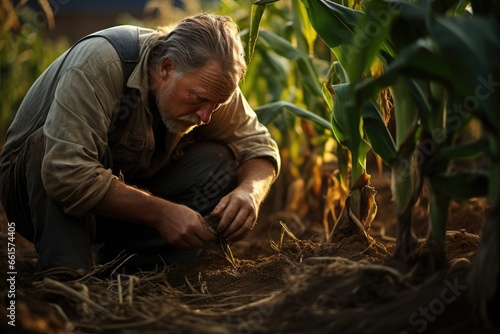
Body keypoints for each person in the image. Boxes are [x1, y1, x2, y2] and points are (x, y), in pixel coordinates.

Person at [0, 13, 280, 277]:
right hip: (32, 194)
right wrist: (162, 213)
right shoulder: (102, 63)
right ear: (166, 68)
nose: (206, 117)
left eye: (216, 105)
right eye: (197, 99)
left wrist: (249, 193)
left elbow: (258, 145)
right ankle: (68, 275)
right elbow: (66, 172)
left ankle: (132, 269)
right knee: (50, 147)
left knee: (219, 160)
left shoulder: (211, 83)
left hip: (116, 205)